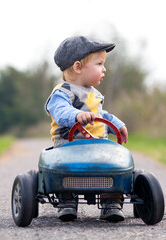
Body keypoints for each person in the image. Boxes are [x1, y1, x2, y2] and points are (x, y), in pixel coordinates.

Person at [45, 36, 129, 222]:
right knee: (66, 168)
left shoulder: (94, 94)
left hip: (98, 146)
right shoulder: (62, 93)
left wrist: (117, 124)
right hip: (69, 145)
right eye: (99, 64)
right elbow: (60, 112)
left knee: (111, 166)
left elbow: (102, 114)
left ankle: (111, 201)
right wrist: (76, 115)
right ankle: (67, 200)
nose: (104, 69)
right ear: (78, 67)